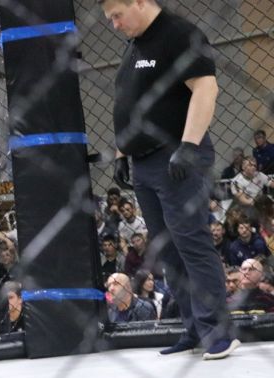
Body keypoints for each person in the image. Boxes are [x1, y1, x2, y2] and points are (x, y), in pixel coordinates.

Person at [102, 0, 239, 359]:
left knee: (191, 241)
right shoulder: (135, 46)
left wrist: (189, 145)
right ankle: (193, 328)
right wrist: (121, 153)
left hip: (177, 155)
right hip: (144, 162)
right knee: (167, 248)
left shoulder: (178, 34)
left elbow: (206, 89)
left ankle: (218, 332)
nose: (114, 25)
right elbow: (128, 104)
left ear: (139, 2)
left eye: (117, 15)